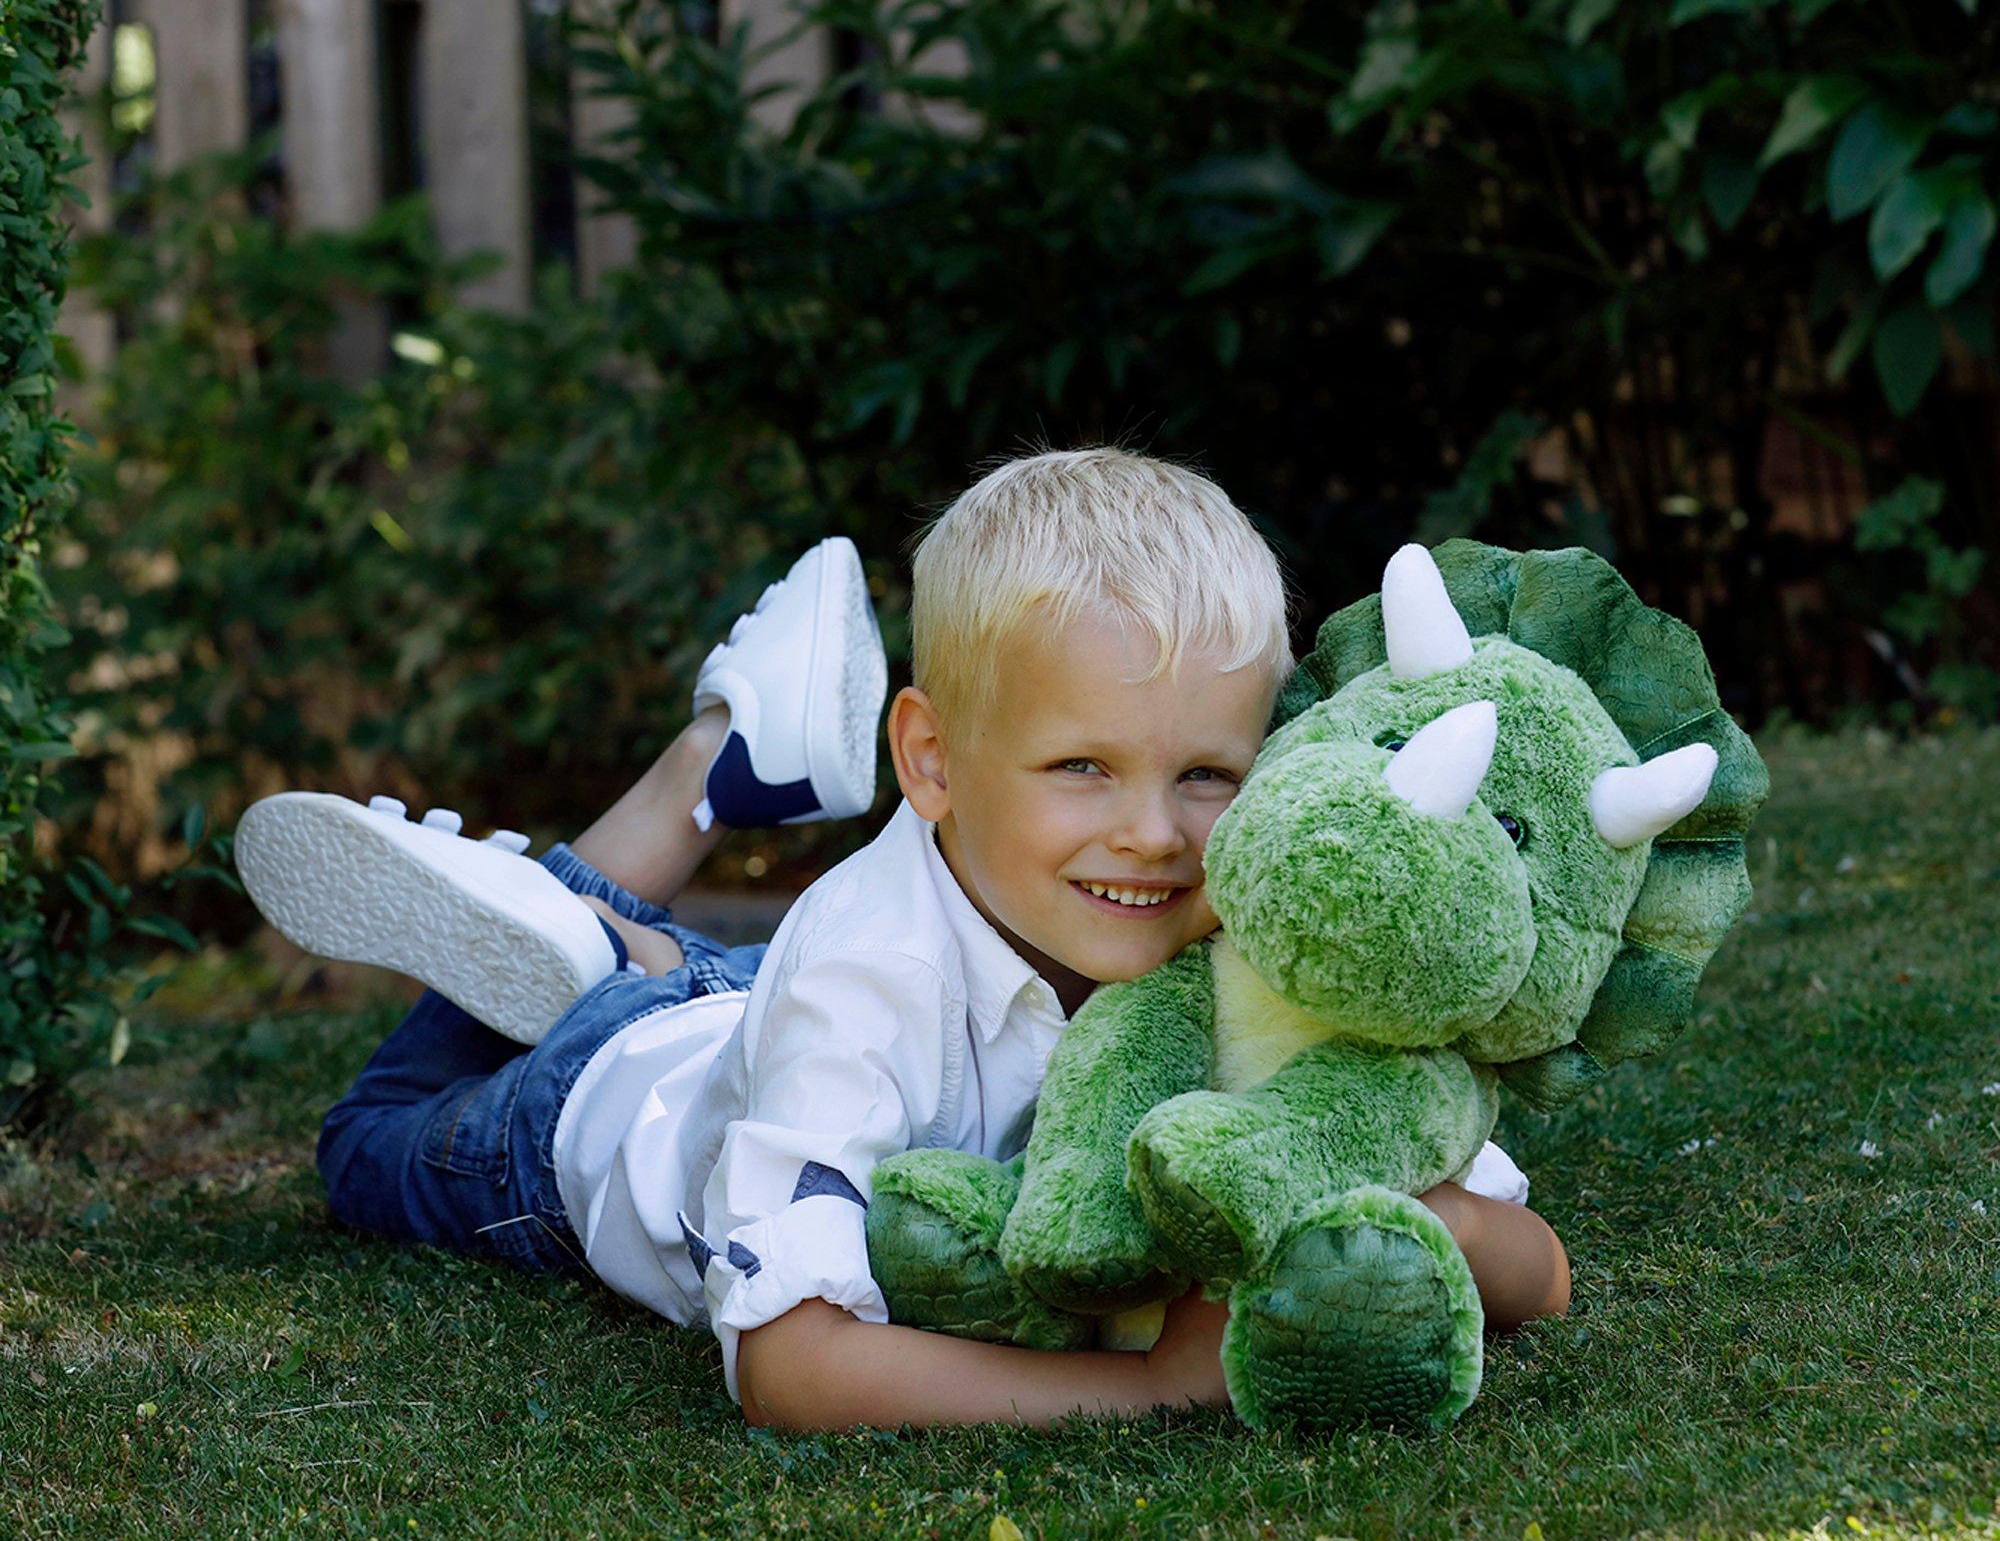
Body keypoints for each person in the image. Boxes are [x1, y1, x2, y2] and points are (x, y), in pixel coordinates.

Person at [237, 449, 1569, 1433]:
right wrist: (1140, 1388)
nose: (1156, 836)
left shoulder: (1249, 944)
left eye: (1210, 776)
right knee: (369, 1140)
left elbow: (1537, 1272)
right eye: (1083, 766)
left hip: (748, 1003)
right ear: (929, 760)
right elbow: (791, 1366)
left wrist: (1363, 1207)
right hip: (593, 1117)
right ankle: (678, 808)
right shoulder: (864, 981)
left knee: (690, 991)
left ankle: (636, 925)